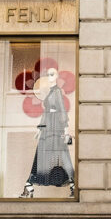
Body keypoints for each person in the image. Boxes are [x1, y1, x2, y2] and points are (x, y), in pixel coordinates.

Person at [20, 67, 74, 198]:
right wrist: (40, 129)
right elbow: (47, 113)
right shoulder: (51, 92)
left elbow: (62, 110)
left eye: (52, 74)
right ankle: (29, 185)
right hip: (48, 128)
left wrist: (66, 131)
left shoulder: (56, 92)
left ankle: (72, 184)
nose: (49, 77)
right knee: (45, 156)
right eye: (48, 74)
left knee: (60, 156)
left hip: (55, 129)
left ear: (56, 76)